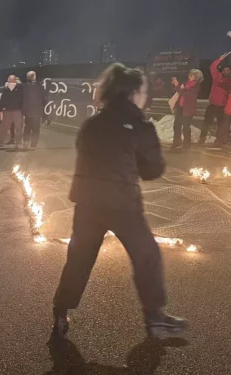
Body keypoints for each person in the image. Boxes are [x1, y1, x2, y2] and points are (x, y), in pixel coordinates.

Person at [50, 63, 186, 342]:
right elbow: (151, 170)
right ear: (134, 93)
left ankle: (61, 312)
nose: (146, 96)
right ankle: (155, 318)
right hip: (123, 203)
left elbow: (83, 154)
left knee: (79, 259)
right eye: (145, 91)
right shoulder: (139, 125)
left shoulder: (92, 123)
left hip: (87, 202)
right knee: (146, 255)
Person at [199, 54, 231, 145]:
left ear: (230, 72)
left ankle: (219, 140)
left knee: (221, 125)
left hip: (222, 107)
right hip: (212, 105)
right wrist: (219, 59)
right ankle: (201, 139)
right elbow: (212, 67)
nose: (226, 71)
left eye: (228, 70)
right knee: (206, 123)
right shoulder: (217, 76)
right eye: (225, 70)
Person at [171, 69, 203, 151]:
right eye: (189, 74)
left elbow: (186, 94)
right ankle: (176, 142)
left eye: (192, 75)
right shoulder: (185, 83)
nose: (189, 76)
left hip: (188, 109)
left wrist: (177, 86)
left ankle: (186, 145)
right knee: (176, 125)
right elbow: (180, 92)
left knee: (185, 127)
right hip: (180, 107)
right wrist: (175, 85)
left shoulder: (196, 86)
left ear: (196, 77)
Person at [0, 75, 23, 148]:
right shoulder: (19, 88)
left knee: (5, 127)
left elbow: (3, 100)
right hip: (16, 111)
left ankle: (1, 142)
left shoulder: (7, 88)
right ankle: (18, 143)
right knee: (17, 128)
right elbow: (23, 98)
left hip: (10, 111)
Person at [22, 71, 45, 149]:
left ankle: (26, 142)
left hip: (28, 112)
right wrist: (45, 113)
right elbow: (44, 99)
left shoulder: (25, 87)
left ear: (28, 78)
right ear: (34, 77)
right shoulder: (40, 87)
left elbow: (22, 100)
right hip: (37, 112)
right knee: (35, 129)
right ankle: (33, 145)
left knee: (27, 128)